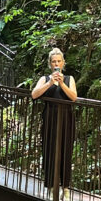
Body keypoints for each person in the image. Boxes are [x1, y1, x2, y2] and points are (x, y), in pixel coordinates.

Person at [31, 48, 78, 192]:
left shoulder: (69, 79)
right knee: (50, 149)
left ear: (63, 63)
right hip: (50, 116)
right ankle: (51, 186)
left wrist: (62, 83)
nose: (56, 64)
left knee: (66, 150)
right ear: (50, 64)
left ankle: (65, 187)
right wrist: (51, 82)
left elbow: (74, 97)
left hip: (66, 118)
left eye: (59, 61)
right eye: (54, 61)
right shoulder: (44, 79)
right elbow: (34, 94)